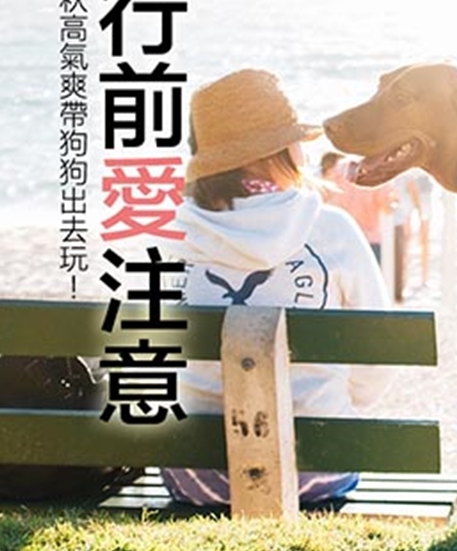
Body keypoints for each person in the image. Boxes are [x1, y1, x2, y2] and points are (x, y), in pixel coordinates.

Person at [164, 69, 393, 505]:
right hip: (319, 466)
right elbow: (377, 359)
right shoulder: (331, 229)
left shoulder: (170, 236)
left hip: (196, 474)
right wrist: (341, 401)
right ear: (282, 150)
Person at [320, 150, 391, 263]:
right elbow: (388, 208)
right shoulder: (378, 171)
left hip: (342, 239)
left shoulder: (339, 168)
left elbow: (325, 197)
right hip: (370, 241)